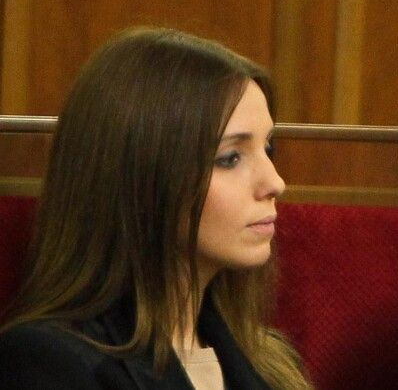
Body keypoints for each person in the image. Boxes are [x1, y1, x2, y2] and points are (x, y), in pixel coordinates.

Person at [0, 28, 311, 389]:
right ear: (141, 177)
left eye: (268, 149)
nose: (275, 182)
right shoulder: (49, 362)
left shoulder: (271, 361)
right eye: (230, 158)